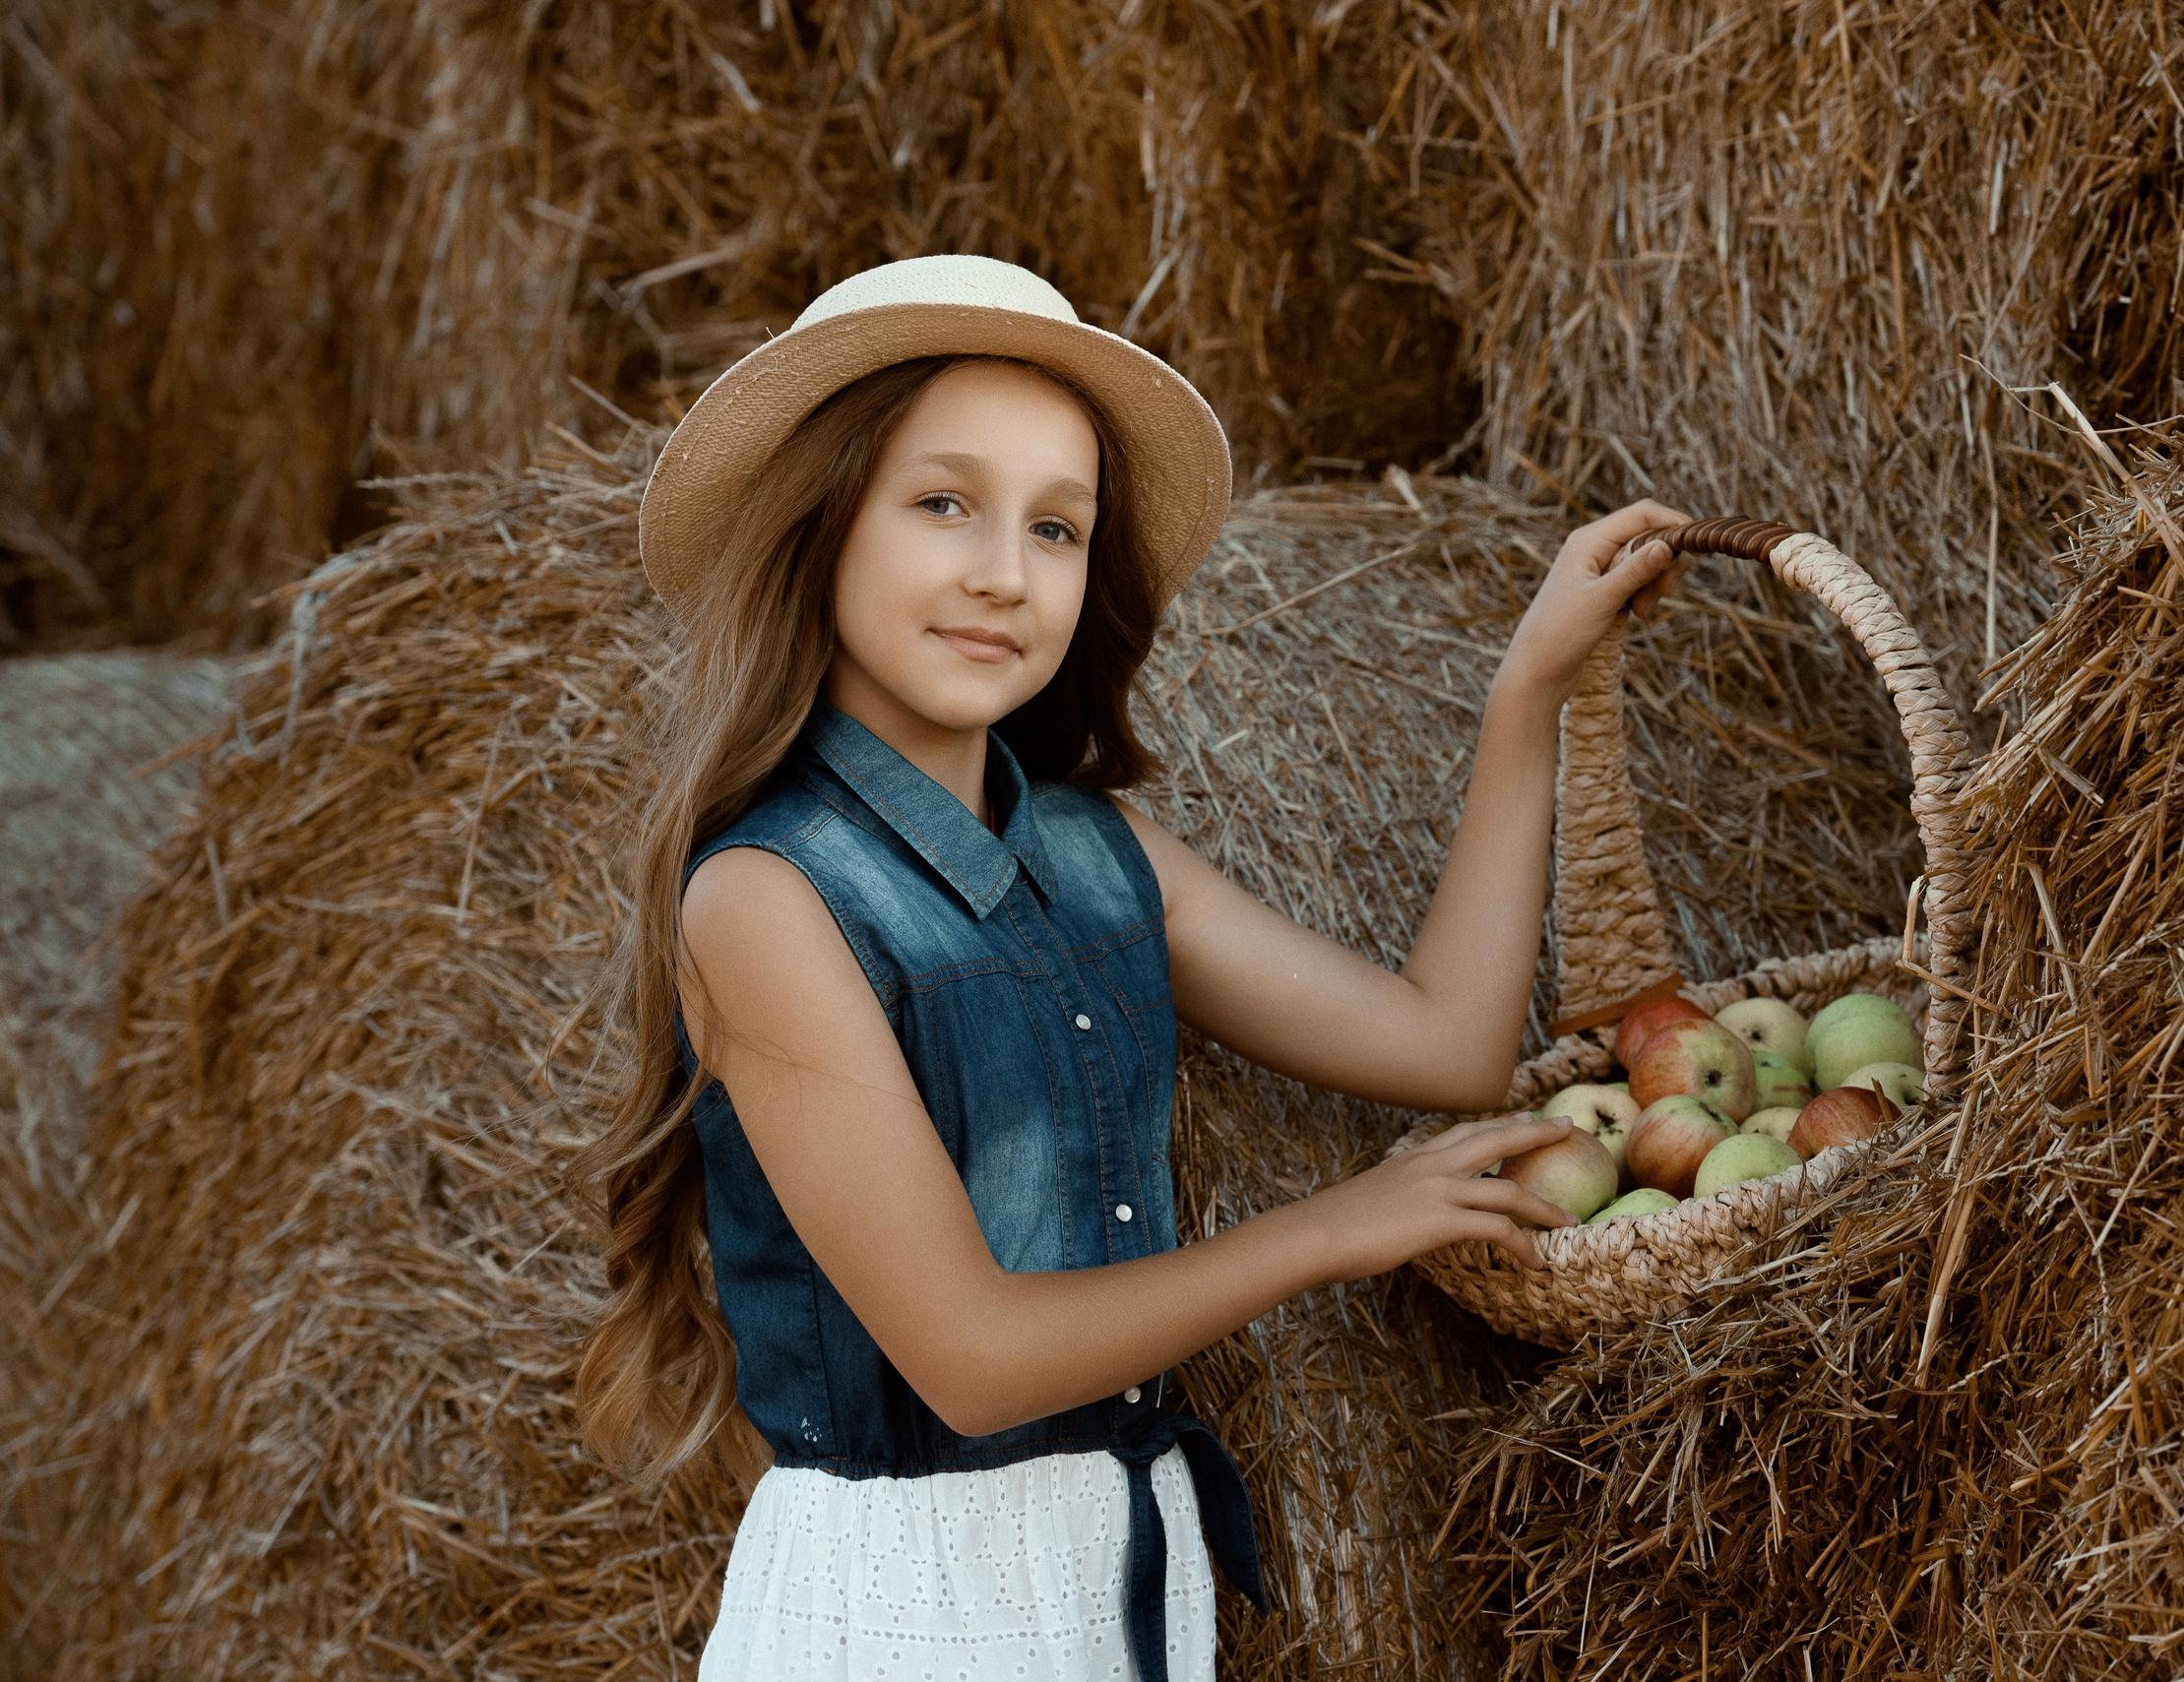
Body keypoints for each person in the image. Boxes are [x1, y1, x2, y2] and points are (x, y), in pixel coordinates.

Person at [575, 254, 1683, 1682]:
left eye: (1058, 526)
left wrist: (1526, 690)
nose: (1003, 573)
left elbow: (1447, 1042)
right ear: (819, 523)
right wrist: (1343, 1223)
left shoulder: (1107, 857)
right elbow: (967, 1356)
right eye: (944, 503)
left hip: (1127, 1585)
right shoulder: (768, 899)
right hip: (904, 1615)